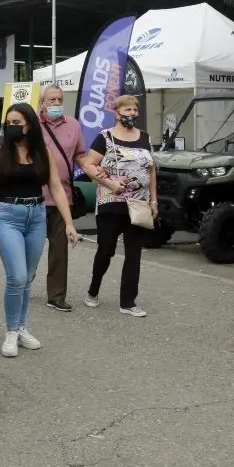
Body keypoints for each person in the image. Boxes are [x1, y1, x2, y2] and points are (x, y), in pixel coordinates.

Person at [0, 103, 80, 358]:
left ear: (30, 125)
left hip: (36, 215)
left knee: (29, 275)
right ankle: (11, 331)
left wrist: (69, 222)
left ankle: (22, 327)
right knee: (17, 276)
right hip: (7, 215)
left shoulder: (42, 151)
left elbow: (56, 187)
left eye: (18, 123)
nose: (12, 127)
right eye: (9, 123)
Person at [80, 95, 157, 318]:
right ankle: (93, 290)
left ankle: (128, 302)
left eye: (135, 110)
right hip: (111, 202)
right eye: (127, 109)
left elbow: (151, 170)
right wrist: (110, 183)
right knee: (106, 250)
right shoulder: (105, 137)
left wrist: (153, 200)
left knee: (134, 253)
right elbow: (89, 165)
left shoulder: (145, 138)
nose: (132, 113)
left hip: (138, 203)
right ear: (117, 113)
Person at [38, 85, 87, 312]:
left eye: (59, 99)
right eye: (52, 100)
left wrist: (101, 173)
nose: (56, 103)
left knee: (59, 249)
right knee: (31, 249)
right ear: (42, 104)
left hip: (62, 198)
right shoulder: (32, 126)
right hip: (35, 197)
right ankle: (22, 280)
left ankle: (56, 295)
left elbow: (80, 155)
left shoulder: (74, 125)